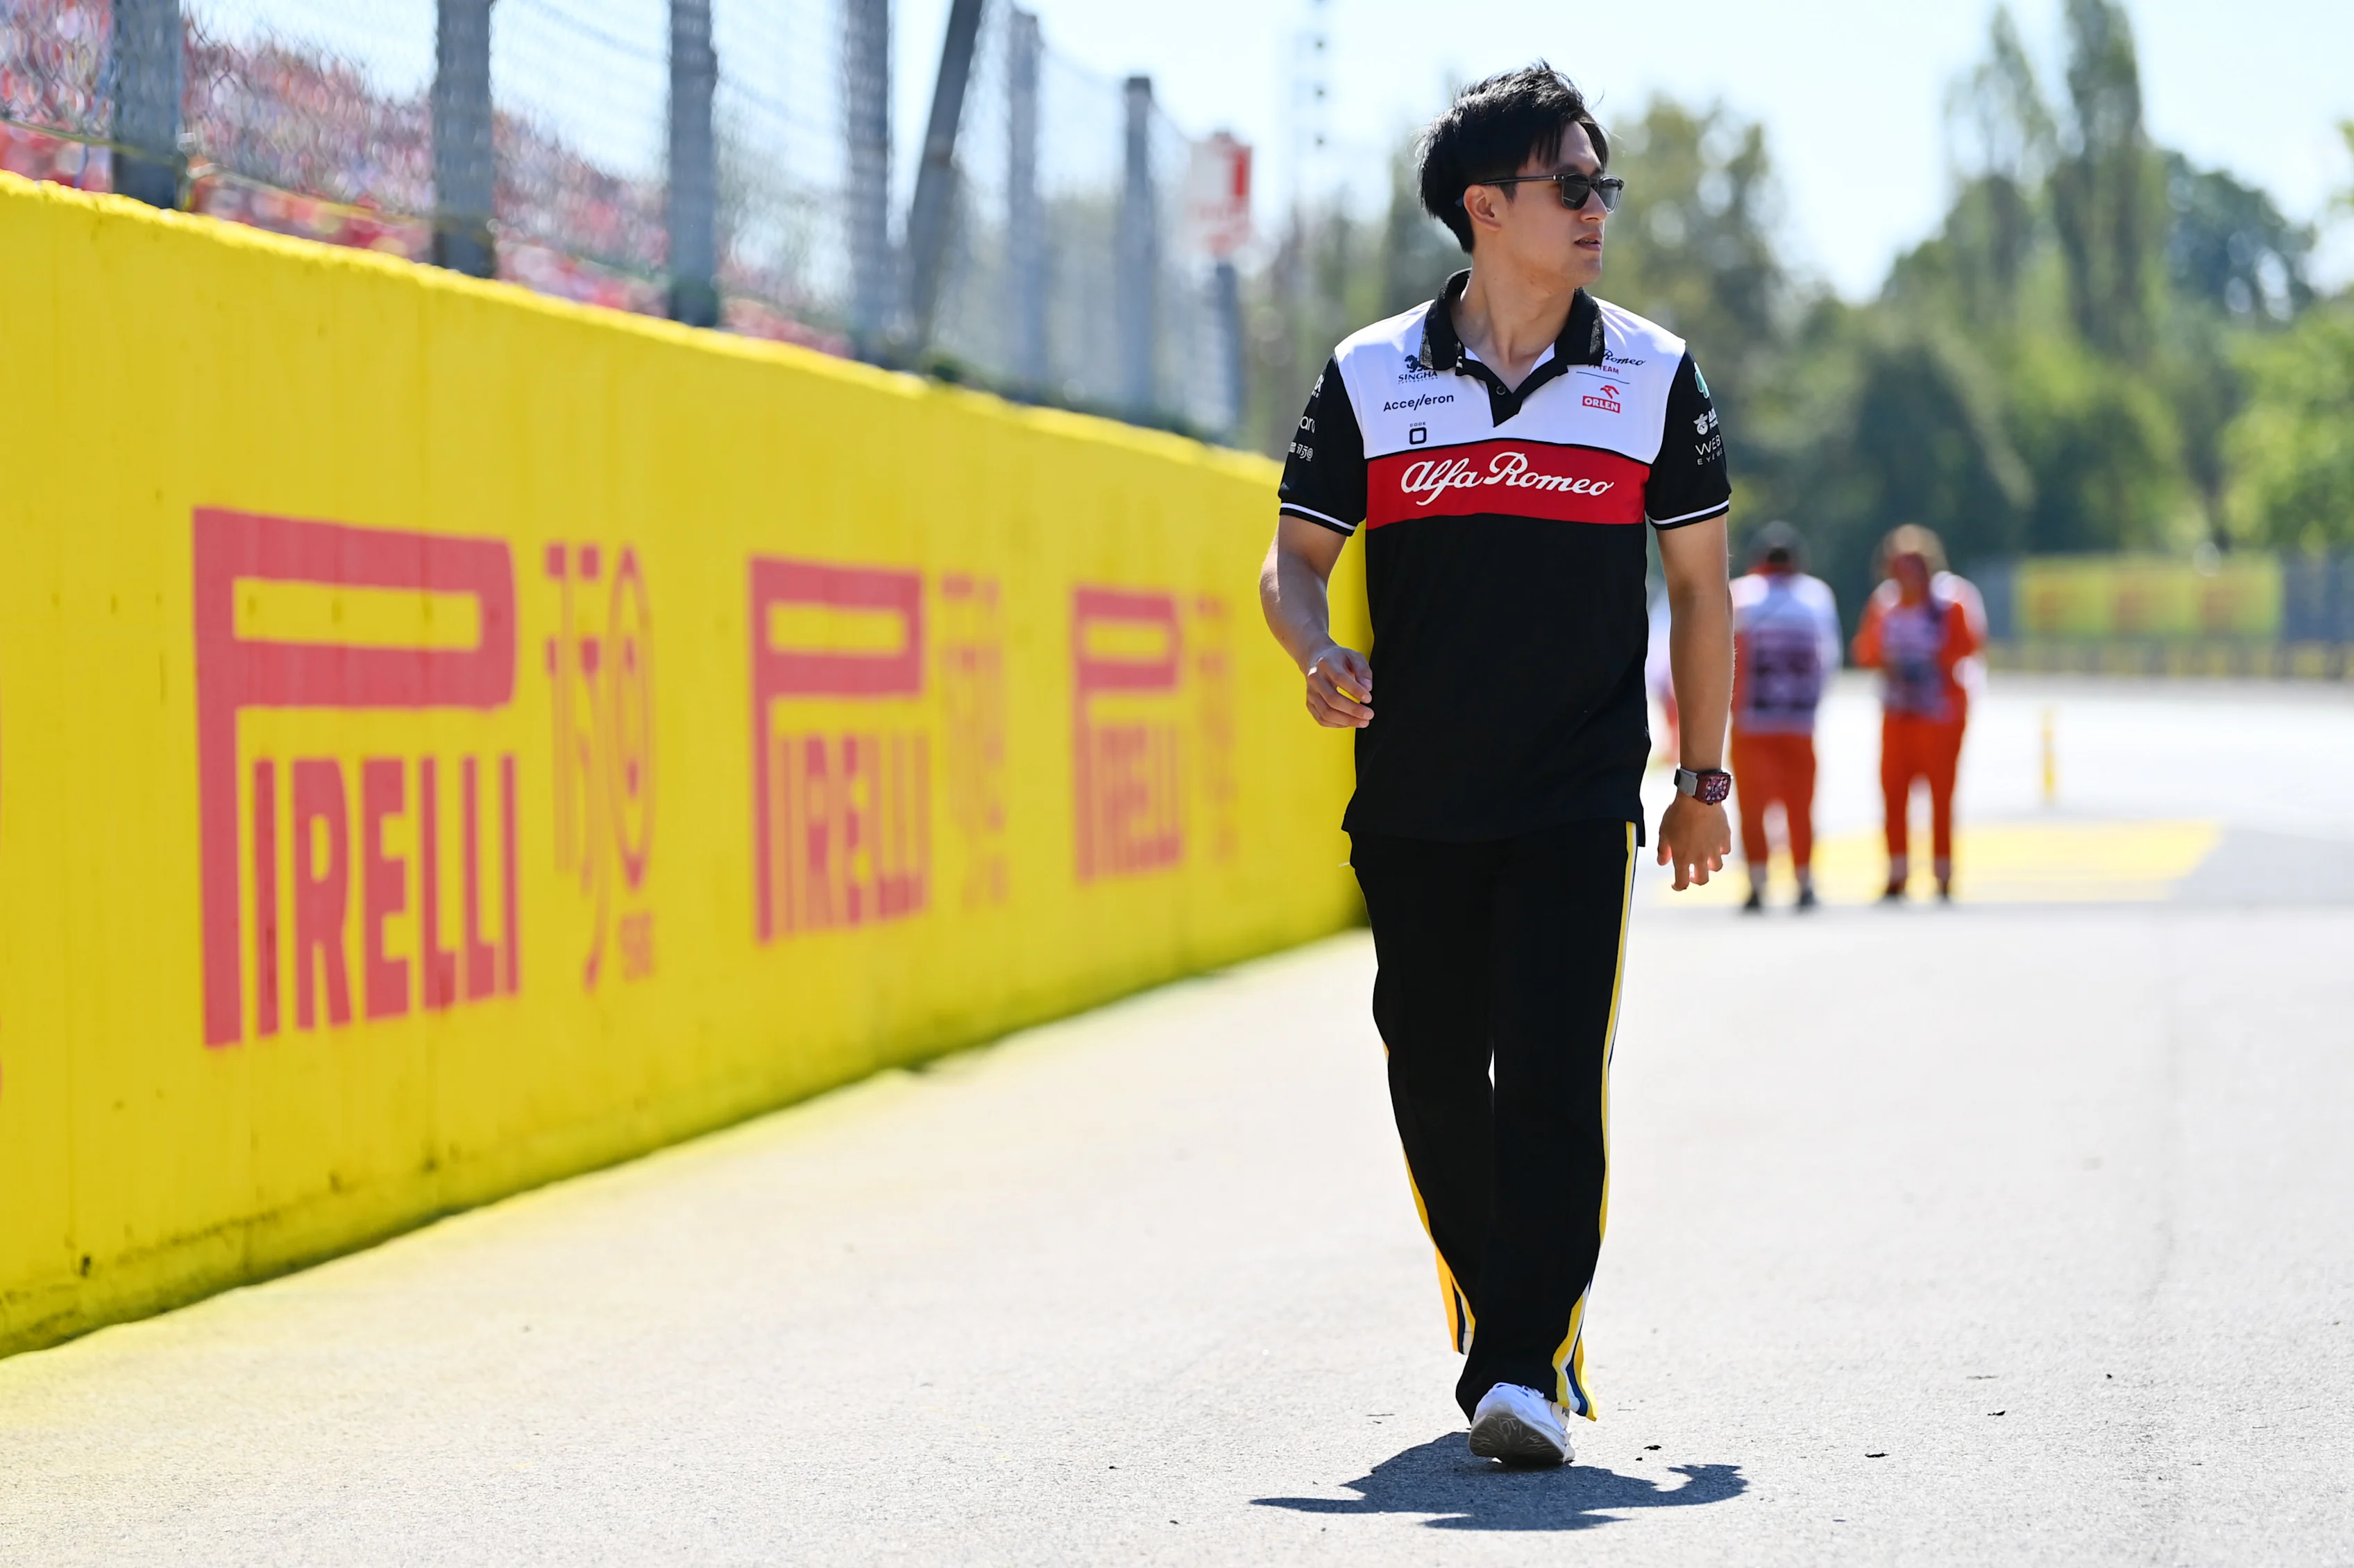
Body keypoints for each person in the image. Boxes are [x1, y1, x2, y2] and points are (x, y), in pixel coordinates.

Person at [1258, 64, 1734, 1469]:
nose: (1596, 212)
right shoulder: (1365, 375)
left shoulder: (1654, 373)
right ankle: (1502, 1315)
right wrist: (1312, 650)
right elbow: (1292, 565)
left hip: (1580, 795)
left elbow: (1698, 590)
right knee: (1426, 1060)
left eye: (1602, 188)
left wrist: (1700, 783)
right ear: (1486, 206)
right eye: (1568, 188)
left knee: (1547, 1064)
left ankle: (1524, 1353)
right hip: (1413, 795)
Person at [1850, 525, 1985, 902]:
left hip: (1940, 716)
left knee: (1941, 796)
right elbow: (1866, 651)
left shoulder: (1951, 602)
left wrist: (1927, 661)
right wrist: (1892, 661)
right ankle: (1897, 872)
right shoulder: (1885, 605)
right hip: (1898, 717)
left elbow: (1969, 647)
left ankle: (1943, 873)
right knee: (1894, 793)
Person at [1728, 522, 1841, 912]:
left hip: (1752, 720)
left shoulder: (1741, 595)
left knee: (1753, 808)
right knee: (1801, 805)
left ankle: (1758, 884)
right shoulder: (1817, 596)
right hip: (1798, 721)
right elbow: (1831, 660)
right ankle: (1805, 881)